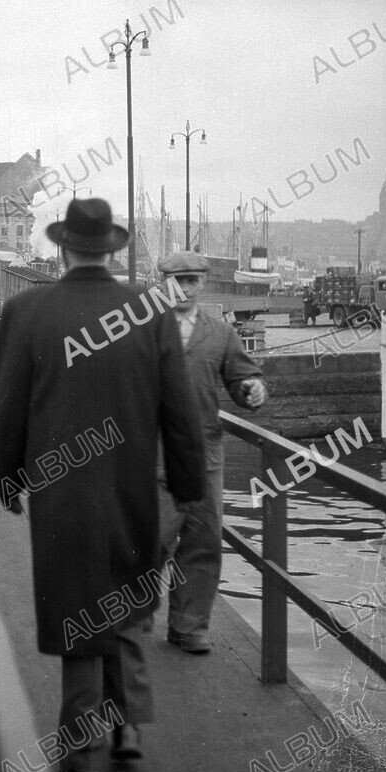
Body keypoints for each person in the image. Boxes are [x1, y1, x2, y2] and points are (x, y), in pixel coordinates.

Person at [0, 198, 204, 772]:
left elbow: (7, 408)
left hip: (61, 497)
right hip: (133, 492)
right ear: (112, 250)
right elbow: (179, 412)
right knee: (128, 605)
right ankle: (127, 722)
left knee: (77, 615)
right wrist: (187, 488)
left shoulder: (25, 311)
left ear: (62, 248)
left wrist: (10, 479)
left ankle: (82, 762)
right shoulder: (149, 312)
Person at [155, 251, 268, 655]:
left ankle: (189, 626)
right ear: (161, 281)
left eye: (192, 280)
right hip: (152, 453)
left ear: (203, 283)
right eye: (176, 280)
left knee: (203, 541)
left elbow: (243, 375)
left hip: (205, 454)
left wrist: (252, 390)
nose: (184, 288)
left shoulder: (220, 333)